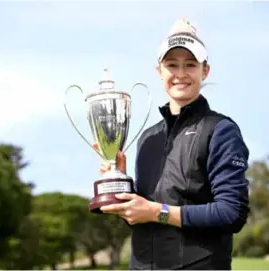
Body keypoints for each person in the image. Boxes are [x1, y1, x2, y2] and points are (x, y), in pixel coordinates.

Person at [100, 18, 250, 270]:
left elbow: (231, 213)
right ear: (159, 71)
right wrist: (120, 185)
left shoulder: (221, 130)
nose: (180, 74)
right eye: (172, 65)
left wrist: (157, 211)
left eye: (190, 64)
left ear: (205, 71)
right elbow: (142, 217)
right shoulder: (148, 138)